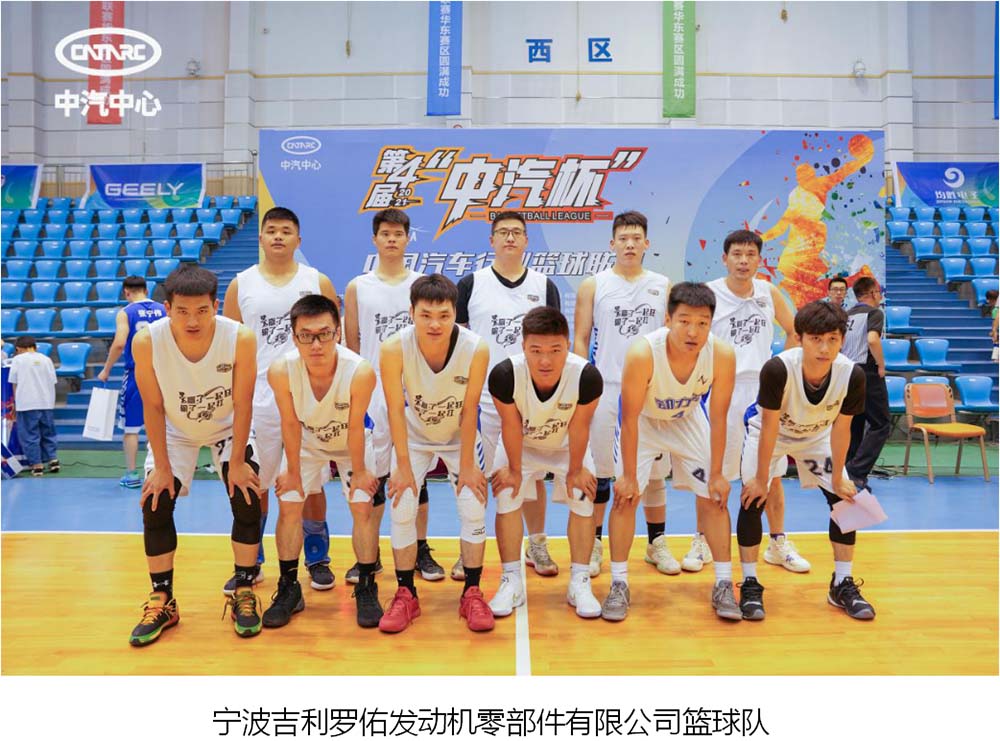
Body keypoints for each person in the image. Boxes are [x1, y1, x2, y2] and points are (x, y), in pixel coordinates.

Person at [128, 264, 262, 646]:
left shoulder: (240, 338)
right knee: (155, 501)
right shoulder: (147, 342)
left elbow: (244, 402)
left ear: (215, 306)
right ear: (167, 308)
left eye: (202, 310)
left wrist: (238, 463)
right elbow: (153, 406)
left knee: (247, 495)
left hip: (227, 427)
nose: (192, 320)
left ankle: (244, 588)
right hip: (174, 431)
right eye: (183, 311)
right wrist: (162, 467)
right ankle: (163, 598)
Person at [603, 282, 738, 622]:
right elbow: (629, 418)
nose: (693, 331)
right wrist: (628, 476)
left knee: (715, 496)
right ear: (668, 319)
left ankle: (724, 583)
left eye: (702, 323)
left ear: (711, 323)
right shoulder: (642, 353)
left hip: (687, 419)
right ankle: (618, 583)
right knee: (626, 497)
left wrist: (718, 473)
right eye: (684, 321)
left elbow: (719, 417)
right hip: (644, 421)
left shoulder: (722, 354)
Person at [222, 206, 340, 594]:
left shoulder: (316, 281)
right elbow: (230, 345)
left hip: (310, 397)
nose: (277, 236)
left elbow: (334, 338)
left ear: (298, 240)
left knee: (311, 483)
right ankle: (251, 560)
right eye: (271, 230)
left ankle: (317, 558)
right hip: (258, 399)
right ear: (260, 238)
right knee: (255, 483)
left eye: (286, 231)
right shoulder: (241, 284)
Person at [737, 300, 874, 621]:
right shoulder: (778, 369)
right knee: (752, 497)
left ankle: (841, 583)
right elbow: (769, 426)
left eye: (832, 339)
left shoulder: (852, 374)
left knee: (850, 501)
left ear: (842, 339)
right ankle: (750, 582)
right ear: (799, 338)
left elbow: (842, 429)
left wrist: (838, 477)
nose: (824, 348)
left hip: (816, 437)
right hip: (770, 434)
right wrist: (760, 479)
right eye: (816, 339)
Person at [378, 274, 493, 633]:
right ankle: (405, 594)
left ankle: (472, 592)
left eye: (444, 315)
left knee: (473, 505)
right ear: (411, 312)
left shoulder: (476, 348)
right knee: (402, 504)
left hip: (459, 437)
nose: (435, 324)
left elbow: (471, 408)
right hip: (414, 437)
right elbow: (395, 409)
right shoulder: (393, 348)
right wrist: (401, 465)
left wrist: (469, 466)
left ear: (455, 313)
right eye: (426, 315)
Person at [263, 295, 382, 628]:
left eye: (324, 334)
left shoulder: (359, 371)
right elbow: (289, 423)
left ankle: (366, 585)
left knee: (362, 505)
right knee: (289, 503)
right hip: (306, 443)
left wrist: (360, 472)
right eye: (306, 336)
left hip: (351, 443)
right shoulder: (281, 371)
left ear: (338, 332)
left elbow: (356, 426)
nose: (316, 344)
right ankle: (289, 587)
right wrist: (292, 471)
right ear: (294, 337)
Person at [456, 211, 562, 580]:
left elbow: (554, 344)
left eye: (517, 232)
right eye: (503, 232)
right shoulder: (471, 284)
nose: (510, 238)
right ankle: (470, 548)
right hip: (485, 399)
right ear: (492, 240)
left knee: (531, 475)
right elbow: (459, 342)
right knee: (480, 476)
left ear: (527, 240)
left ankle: (537, 542)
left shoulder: (544, 285)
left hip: (533, 399)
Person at [695, 230, 808, 575]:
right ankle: (702, 540)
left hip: (762, 394)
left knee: (770, 473)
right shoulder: (709, 294)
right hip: (721, 391)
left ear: (759, 259)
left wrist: (781, 369)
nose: (743, 261)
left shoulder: (768, 292)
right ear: (724, 258)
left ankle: (777, 542)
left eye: (750, 255)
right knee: (714, 472)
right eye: (737, 254)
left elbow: (795, 331)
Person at [343, 208, 441, 584]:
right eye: (385, 233)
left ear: (407, 239)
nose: (391, 239)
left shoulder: (421, 284)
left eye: (398, 234)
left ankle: (420, 548)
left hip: (413, 390)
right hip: (372, 393)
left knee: (417, 474)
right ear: (375, 239)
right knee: (373, 476)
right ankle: (370, 556)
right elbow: (352, 343)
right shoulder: (358, 286)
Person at [572, 210, 671, 578]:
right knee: (600, 472)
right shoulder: (594, 285)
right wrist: (580, 385)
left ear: (647, 244)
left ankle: (656, 542)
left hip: (649, 391)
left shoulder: (663, 285)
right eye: (623, 238)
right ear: (612, 243)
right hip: (605, 388)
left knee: (653, 472)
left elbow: (669, 339)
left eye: (636, 238)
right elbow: (581, 337)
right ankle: (596, 543)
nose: (630, 244)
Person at [488, 307, 604, 619]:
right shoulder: (504, 375)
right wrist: (514, 471)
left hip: (567, 446)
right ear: (523, 347)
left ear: (568, 346)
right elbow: (510, 425)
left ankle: (579, 581)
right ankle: (511, 579)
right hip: (522, 445)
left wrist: (576, 470)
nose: (545, 361)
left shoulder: (587, 377)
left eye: (555, 350)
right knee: (506, 492)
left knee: (582, 495)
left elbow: (580, 426)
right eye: (536, 350)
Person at [97, 275, 167, 488]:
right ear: (147, 290)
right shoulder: (164, 309)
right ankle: (162, 469)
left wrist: (106, 369)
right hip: (164, 373)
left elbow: (119, 343)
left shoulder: (126, 312)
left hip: (138, 373)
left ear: (126, 292)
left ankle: (132, 474)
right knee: (163, 425)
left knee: (132, 429)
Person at [843, 277, 889, 490]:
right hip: (867, 372)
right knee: (881, 424)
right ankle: (857, 471)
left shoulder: (847, 315)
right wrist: (881, 365)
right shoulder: (874, 313)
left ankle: (846, 470)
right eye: (878, 292)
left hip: (847, 371)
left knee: (855, 423)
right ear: (872, 293)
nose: (880, 296)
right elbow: (872, 339)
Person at [8, 336, 58, 477]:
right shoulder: (46, 359)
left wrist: (15, 402)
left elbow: (14, 382)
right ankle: (53, 459)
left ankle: (37, 465)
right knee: (48, 432)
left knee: (30, 435)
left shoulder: (18, 360)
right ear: (35, 346)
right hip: (46, 402)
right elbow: (53, 381)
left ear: (18, 348)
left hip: (27, 403)